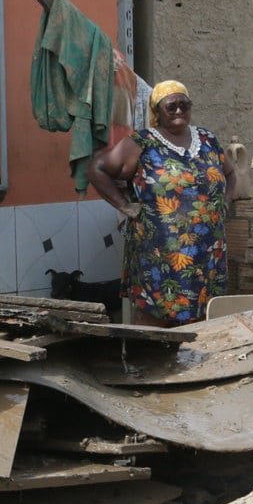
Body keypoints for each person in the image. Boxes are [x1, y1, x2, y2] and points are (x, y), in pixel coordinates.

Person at [88, 80, 240, 325]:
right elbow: (97, 168)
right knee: (157, 316)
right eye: (171, 107)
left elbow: (231, 173)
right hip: (159, 254)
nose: (179, 111)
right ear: (157, 112)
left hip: (207, 252)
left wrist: (225, 202)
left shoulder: (207, 139)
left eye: (184, 105)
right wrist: (124, 206)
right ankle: (149, 360)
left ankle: (193, 360)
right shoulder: (142, 143)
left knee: (204, 315)